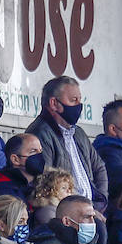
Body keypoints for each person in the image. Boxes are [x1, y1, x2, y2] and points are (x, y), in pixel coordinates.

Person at [26, 76, 110, 214]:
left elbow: (99, 167)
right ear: (54, 103)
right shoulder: (40, 134)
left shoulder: (79, 133)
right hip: (64, 213)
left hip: (91, 210)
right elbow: (43, 181)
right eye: (73, 100)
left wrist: (100, 203)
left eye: (79, 100)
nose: (79, 105)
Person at [0, 134, 46, 202]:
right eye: (33, 151)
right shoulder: (3, 189)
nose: (39, 155)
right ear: (15, 159)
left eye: (40, 151)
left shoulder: (38, 183)